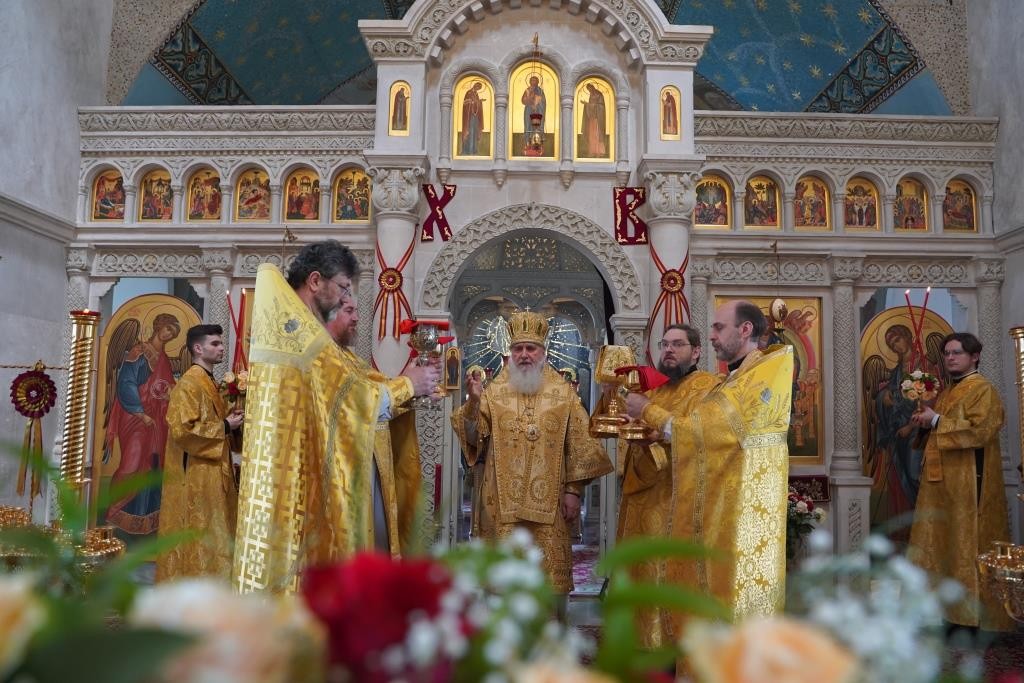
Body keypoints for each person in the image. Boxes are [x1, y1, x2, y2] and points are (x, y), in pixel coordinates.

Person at [233, 240, 438, 593]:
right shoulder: (301, 335)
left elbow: (355, 386)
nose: (346, 298)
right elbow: (351, 402)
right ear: (316, 281)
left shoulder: (311, 335)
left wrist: (406, 390)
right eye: (343, 287)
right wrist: (407, 386)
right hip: (298, 475)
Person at [626, 301, 792, 642]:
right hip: (720, 511)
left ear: (745, 330)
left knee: (731, 610)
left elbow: (708, 431)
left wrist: (648, 412)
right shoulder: (734, 377)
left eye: (718, 327)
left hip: (741, 518)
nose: (712, 335)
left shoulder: (762, 372)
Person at [452, 310, 612, 610]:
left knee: (548, 586)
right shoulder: (493, 392)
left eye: (530, 348)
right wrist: (473, 402)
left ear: (543, 351)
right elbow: (473, 437)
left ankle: (550, 633)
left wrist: (574, 491)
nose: (524, 355)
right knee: (501, 588)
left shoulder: (563, 393)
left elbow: (581, 444)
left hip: (551, 506)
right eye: (518, 349)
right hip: (501, 507)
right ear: (510, 353)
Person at [616, 324, 720, 649]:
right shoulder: (657, 391)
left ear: (696, 351)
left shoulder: (708, 388)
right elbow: (642, 435)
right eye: (665, 345)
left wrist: (651, 426)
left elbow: (701, 438)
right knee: (640, 577)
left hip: (678, 502)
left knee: (669, 580)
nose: (669, 351)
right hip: (643, 500)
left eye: (678, 344)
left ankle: (671, 654)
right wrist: (631, 427)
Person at [909, 332, 1014, 632]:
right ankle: (948, 615)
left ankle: (972, 620)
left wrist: (937, 421)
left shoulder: (983, 389)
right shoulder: (948, 391)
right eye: (947, 353)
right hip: (943, 485)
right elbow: (939, 429)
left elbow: (981, 430)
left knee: (967, 545)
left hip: (969, 483)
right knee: (946, 546)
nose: (950, 358)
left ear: (975, 356)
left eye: (957, 352)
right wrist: (925, 422)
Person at [325, 295, 438, 556]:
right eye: (349, 310)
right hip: (341, 482)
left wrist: (414, 389)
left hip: (362, 474)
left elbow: (375, 396)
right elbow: (359, 405)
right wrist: (408, 384)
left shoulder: (346, 358)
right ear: (327, 312)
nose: (357, 318)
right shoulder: (324, 359)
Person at [155, 324, 243, 581]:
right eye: (215, 344)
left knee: (216, 533)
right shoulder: (189, 383)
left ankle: (215, 591)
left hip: (213, 472)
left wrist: (233, 423)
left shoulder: (209, 382)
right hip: (195, 476)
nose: (221, 348)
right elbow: (183, 430)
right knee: (200, 535)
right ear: (198, 348)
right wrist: (225, 426)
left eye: (221, 343)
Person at [104, 312, 182, 535]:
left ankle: (146, 518)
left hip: (157, 420)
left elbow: (169, 385)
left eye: (173, 333)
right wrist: (140, 413)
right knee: (132, 463)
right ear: (159, 327)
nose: (169, 335)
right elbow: (126, 383)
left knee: (154, 464)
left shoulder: (164, 359)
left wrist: (170, 393)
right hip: (136, 417)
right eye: (168, 329)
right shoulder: (139, 351)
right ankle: (115, 512)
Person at [580, 83, 606, 158]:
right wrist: (588, 105)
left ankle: (599, 152)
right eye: (588, 90)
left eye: (590, 89)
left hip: (597, 119)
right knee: (591, 135)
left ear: (592, 87)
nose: (589, 91)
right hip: (592, 118)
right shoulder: (591, 95)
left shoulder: (598, 94)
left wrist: (587, 104)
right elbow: (592, 105)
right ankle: (592, 151)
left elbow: (600, 106)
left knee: (597, 135)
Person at [461, 81, 485, 156]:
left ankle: (474, 150)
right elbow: (465, 102)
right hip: (470, 117)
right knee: (470, 132)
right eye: (478, 87)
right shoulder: (469, 93)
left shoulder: (476, 94)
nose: (478, 89)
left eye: (479, 88)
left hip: (475, 116)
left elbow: (476, 103)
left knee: (475, 132)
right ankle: (469, 151)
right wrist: (471, 102)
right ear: (475, 85)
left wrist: (479, 101)